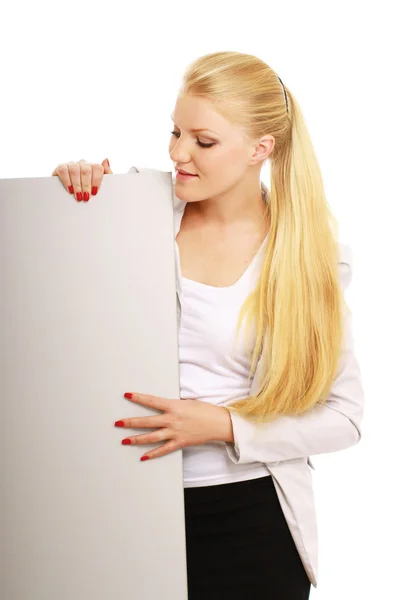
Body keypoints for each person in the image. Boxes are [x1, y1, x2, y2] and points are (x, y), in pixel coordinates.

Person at [52, 51, 364, 600]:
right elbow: (51, 319)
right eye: (174, 133)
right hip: (117, 510)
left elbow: (345, 417)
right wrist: (68, 201)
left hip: (251, 522)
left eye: (203, 140)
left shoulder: (306, 258)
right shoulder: (126, 215)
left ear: (260, 150)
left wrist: (225, 426)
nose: (177, 153)